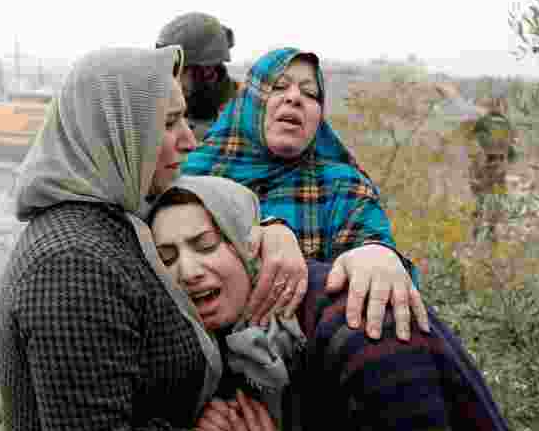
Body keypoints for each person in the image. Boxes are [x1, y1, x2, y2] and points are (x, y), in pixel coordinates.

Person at [147, 175, 539, 431]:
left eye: (206, 245)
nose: (188, 271)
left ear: (251, 247)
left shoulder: (361, 326)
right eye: (167, 257)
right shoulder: (243, 342)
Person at [0, 44, 247, 431]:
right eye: (170, 123)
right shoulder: (73, 261)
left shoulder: (111, 228)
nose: (190, 140)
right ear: (116, 130)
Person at [182, 47, 429, 341]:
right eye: (278, 87)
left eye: (310, 94)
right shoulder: (192, 176)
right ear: (249, 102)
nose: (295, 97)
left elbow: (372, 244)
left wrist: (378, 255)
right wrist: (264, 229)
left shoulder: (341, 186)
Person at [155, 11, 242, 139]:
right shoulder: (157, 104)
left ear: (207, 71)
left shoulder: (245, 108)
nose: (171, 79)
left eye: (178, 70)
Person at [468, 96, 518, 240]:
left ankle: (477, 230)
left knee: (481, 199)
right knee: (496, 198)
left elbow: (473, 142)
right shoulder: (507, 123)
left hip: (485, 166)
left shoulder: (482, 122)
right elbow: (512, 149)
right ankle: (491, 230)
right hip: (500, 167)